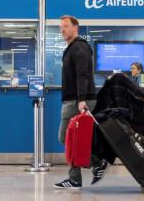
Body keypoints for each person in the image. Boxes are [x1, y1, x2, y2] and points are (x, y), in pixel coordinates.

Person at [53, 15, 108, 189]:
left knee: (65, 137)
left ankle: (91, 167)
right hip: (75, 100)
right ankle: (89, 168)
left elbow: (83, 75)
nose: (62, 29)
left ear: (76, 27)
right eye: (61, 27)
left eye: (66, 26)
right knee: (74, 138)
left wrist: (82, 99)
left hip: (77, 101)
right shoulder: (73, 48)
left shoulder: (79, 48)